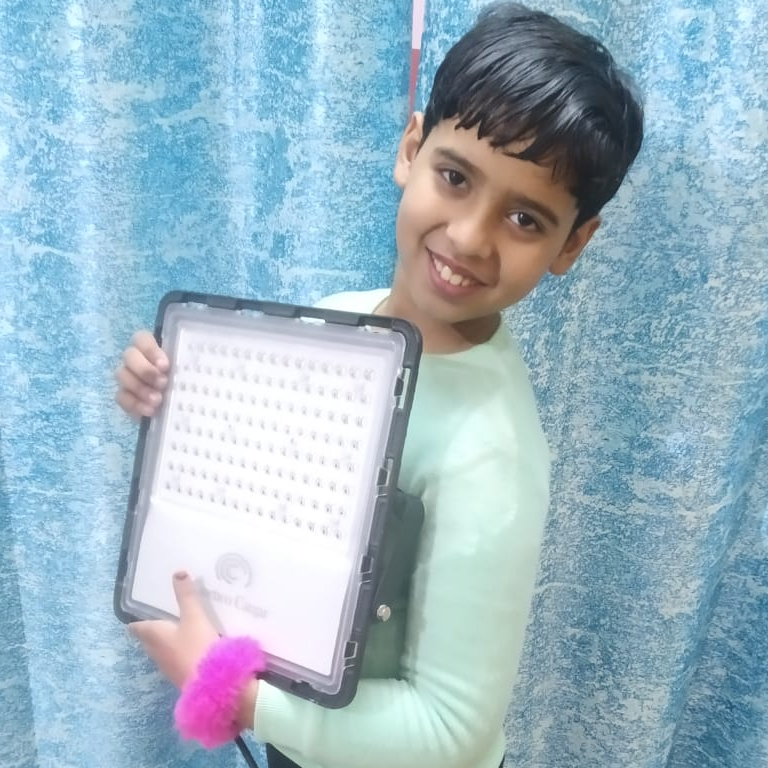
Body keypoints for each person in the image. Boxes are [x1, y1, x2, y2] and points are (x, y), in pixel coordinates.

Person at [114, 3, 644, 767]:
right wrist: (167, 402)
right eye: (455, 177)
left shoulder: (490, 457)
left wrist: (239, 698)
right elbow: (256, 481)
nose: (469, 236)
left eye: (526, 220)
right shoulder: (333, 321)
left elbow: (453, 732)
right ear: (411, 148)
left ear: (573, 244)